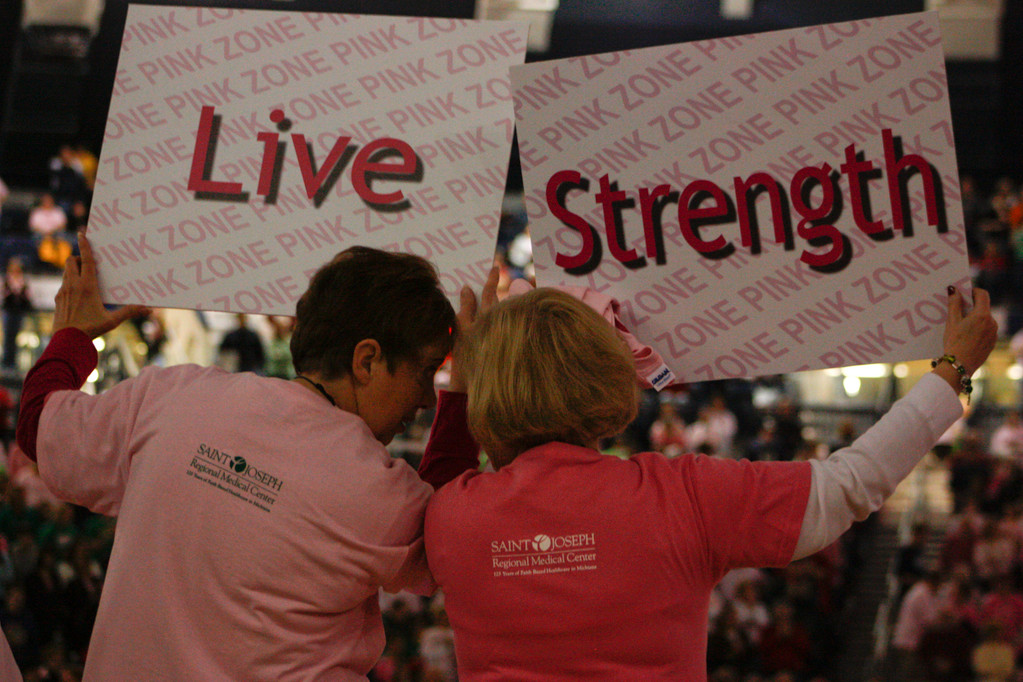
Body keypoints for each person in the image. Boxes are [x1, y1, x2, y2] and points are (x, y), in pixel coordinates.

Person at [424, 284, 997, 680]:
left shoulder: (451, 517)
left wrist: (461, 386)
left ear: (487, 391)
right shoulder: (681, 495)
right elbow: (850, 485)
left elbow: (434, 487)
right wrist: (953, 373)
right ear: (603, 375)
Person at [15, 233, 494, 680]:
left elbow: (39, 426)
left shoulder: (170, 397)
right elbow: (448, 541)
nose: (427, 400)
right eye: (426, 373)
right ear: (366, 360)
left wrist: (73, 336)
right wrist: (465, 391)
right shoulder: (377, 491)